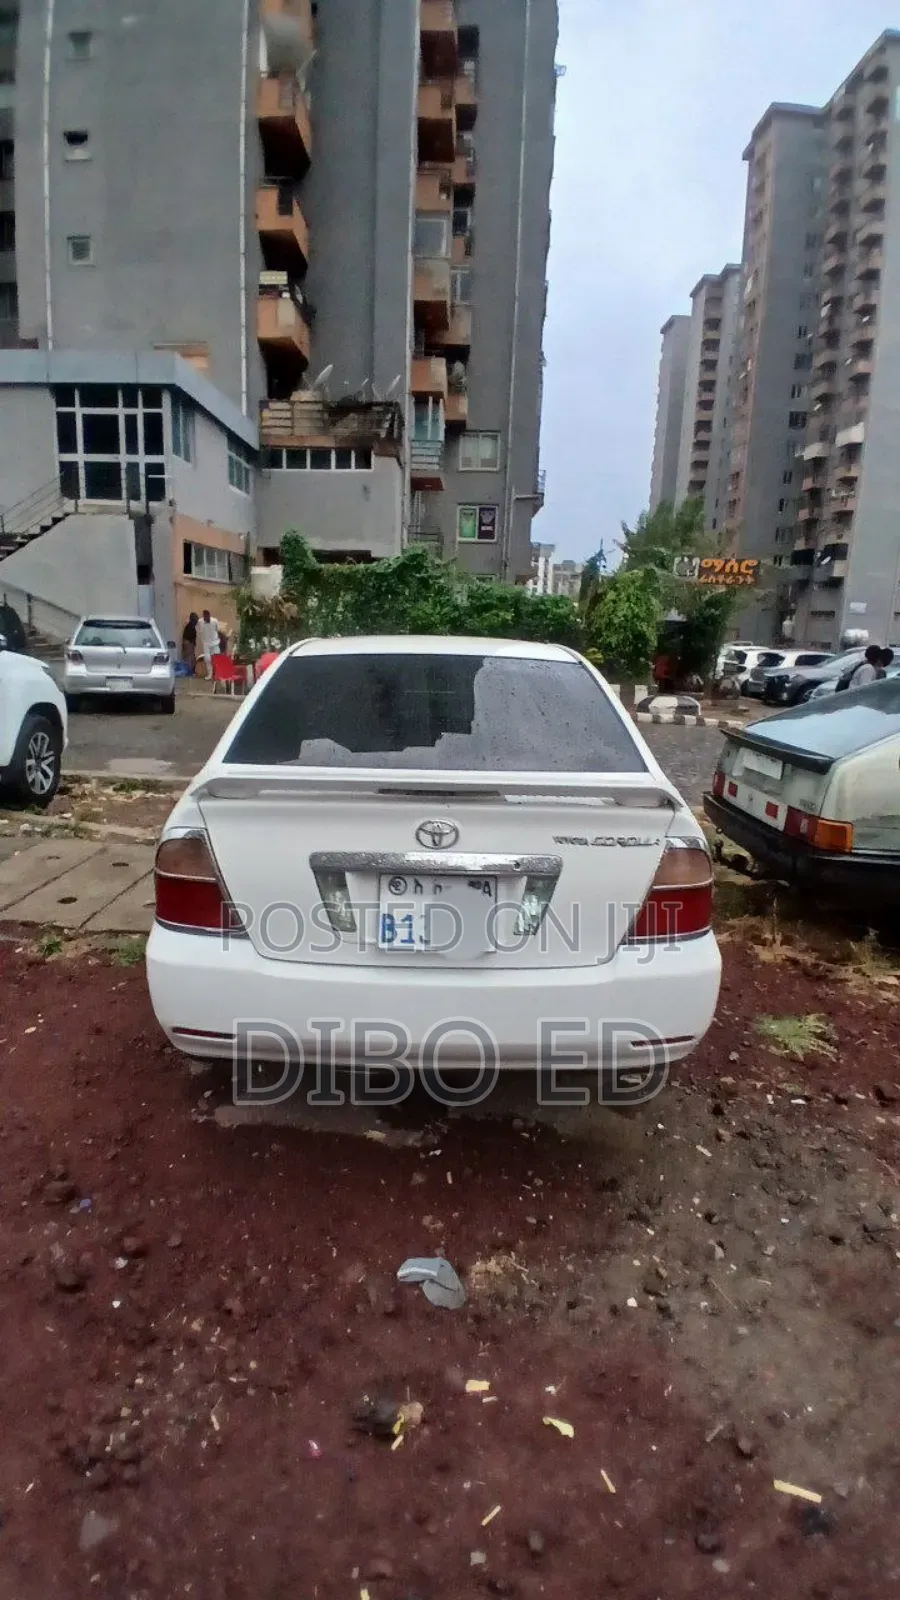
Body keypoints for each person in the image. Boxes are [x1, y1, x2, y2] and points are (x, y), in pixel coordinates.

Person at [196, 609, 221, 679]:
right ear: (203, 616)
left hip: (215, 642)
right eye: (205, 617)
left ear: (209, 615)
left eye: (207, 617)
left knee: (217, 659)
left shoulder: (214, 621)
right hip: (206, 643)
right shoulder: (200, 621)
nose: (206, 618)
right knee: (207, 659)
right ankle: (210, 674)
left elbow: (218, 630)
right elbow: (198, 630)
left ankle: (218, 674)